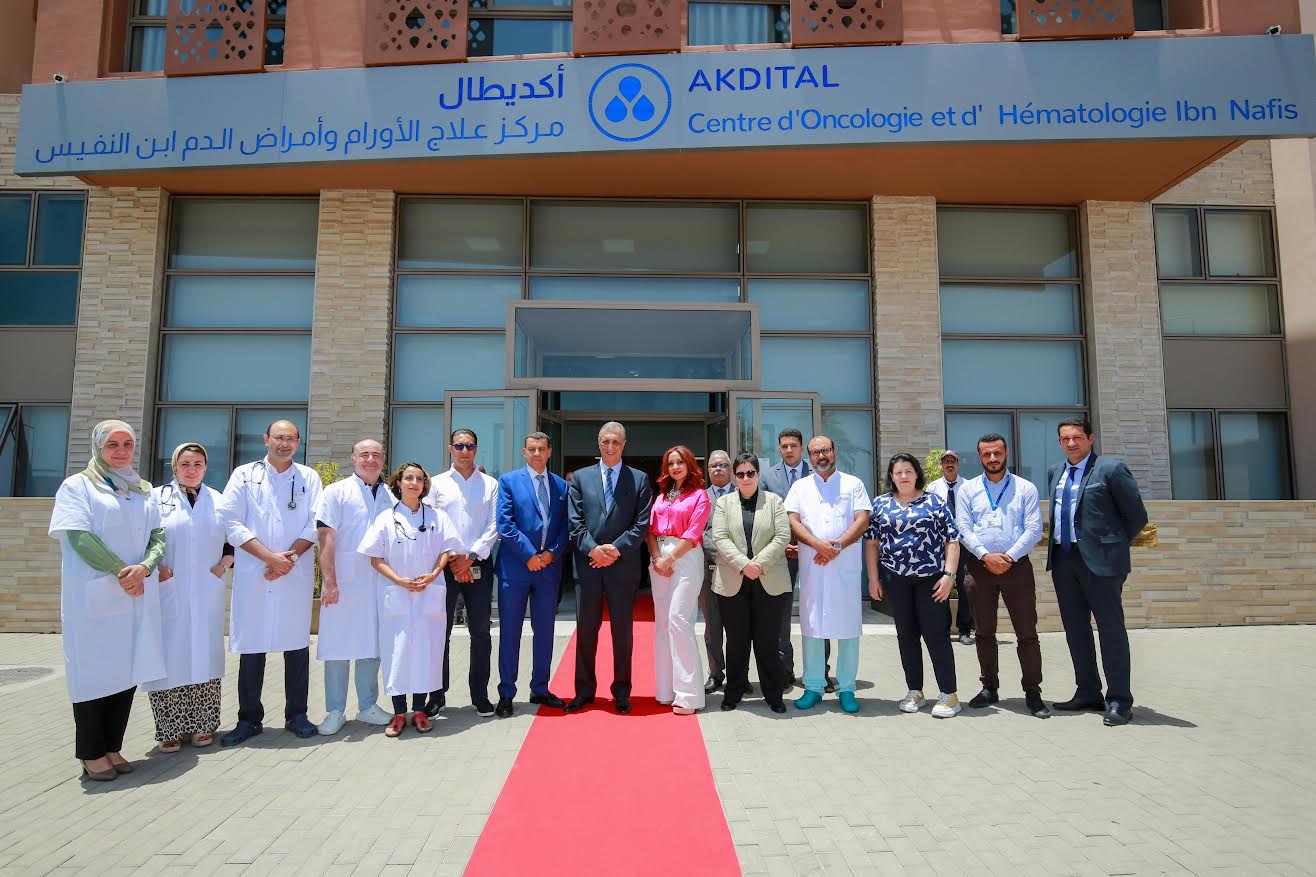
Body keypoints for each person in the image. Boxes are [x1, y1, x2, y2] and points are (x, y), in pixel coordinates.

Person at [48, 420, 167, 781]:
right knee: (92, 671)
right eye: (112, 444)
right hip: (97, 593)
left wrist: (145, 567)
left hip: (135, 592)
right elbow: (79, 537)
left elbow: (158, 536)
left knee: (126, 670)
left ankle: (113, 746)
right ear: (98, 448)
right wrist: (122, 572)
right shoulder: (78, 486)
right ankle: (91, 752)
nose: (121, 451)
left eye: (127, 444)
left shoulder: (142, 489)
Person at [218, 419, 322, 746]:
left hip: (293, 572)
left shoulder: (308, 477)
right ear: (266, 439)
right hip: (255, 572)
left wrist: (287, 560)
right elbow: (230, 521)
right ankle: (249, 719)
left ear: (298, 442)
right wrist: (269, 558)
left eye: (290, 438)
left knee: (296, 645)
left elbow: (315, 522)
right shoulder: (244, 475)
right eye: (279, 437)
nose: (284, 444)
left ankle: (297, 715)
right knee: (252, 646)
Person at [1046, 416, 1148, 727]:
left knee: (1111, 630)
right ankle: (1088, 691)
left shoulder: (1111, 470)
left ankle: (1119, 700)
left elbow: (1136, 517)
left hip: (1101, 563)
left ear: (1091, 439)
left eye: (1077, 437)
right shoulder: (1055, 472)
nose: (1071, 443)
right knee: (1075, 629)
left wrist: (1110, 545)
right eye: (1065, 438)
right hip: (1064, 560)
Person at [358, 463, 462, 737]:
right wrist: (398, 580)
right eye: (408, 478)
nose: (414, 483)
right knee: (398, 653)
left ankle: (419, 711)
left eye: (419, 479)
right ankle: (398, 713)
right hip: (397, 594)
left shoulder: (437, 516)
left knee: (426, 651)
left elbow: (446, 549)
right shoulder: (385, 518)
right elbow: (374, 557)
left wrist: (434, 574)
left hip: (429, 591)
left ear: (425, 485)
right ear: (398, 483)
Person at [143, 442, 233, 752]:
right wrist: (157, 569)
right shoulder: (156, 498)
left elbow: (233, 539)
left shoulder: (219, 500)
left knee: (205, 654)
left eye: (197, 464)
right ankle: (169, 728)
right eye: (185, 464)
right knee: (169, 655)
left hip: (207, 588)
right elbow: (142, 538)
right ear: (174, 467)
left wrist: (223, 565)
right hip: (169, 588)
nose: (191, 470)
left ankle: (203, 725)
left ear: (205, 467)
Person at [953, 434, 1049, 719]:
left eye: (997, 453)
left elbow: (1034, 528)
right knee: (984, 632)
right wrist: (986, 555)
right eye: (986, 454)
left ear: (1006, 453)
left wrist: (1009, 556)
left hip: (1016, 567)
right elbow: (963, 527)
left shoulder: (1025, 488)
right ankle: (989, 688)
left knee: (1026, 633)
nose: (992, 458)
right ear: (980, 457)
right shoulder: (968, 490)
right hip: (979, 567)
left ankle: (1033, 691)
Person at [566, 421, 654, 715]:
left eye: (616, 441)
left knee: (622, 632)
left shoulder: (639, 479)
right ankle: (584, 691)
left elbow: (641, 524)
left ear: (624, 444)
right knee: (586, 630)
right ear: (598, 443)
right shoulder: (581, 477)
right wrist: (594, 549)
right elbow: (574, 522)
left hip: (623, 568)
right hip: (588, 565)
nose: (610, 446)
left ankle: (622, 691)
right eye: (606, 441)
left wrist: (614, 550)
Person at [865, 453, 962, 718]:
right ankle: (915, 691)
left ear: (917, 473)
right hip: (896, 579)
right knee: (906, 636)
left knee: (936, 635)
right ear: (891, 476)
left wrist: (949, 576)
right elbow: (872, 544)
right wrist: (873, 579)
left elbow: (952, 540)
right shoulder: (880, 504)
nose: (903, 476)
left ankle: (949, 694)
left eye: (908, 471)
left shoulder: (934, 502)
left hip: (931, 580)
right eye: (898, 472)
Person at [312, 439, 396, 734]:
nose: (371, 459)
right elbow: (325, 537)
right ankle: (335, 710)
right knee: (337, 646)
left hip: (379, 582)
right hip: (344, 582)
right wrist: (329, 581)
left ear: (383, 459)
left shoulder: (390, 495)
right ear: (353, 459)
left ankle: (367, 706)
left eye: (376, 454)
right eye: (364, 454)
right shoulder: (336, 492)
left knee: (372, 645)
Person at [784, 435, 871, 713]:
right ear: (809, 457)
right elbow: (792, 520)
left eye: (825, 450)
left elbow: (862, 519)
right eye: (815, 452)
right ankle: (813, 686)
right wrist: (817, 545)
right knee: (812, 627)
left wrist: (837, 546)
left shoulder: (853, 484)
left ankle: (847, 687)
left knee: (848, 629)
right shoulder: (800, 487)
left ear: (834, 452)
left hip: (844, 567)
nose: (821, 456)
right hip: (813, 566)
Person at [494, 431, 569, 717]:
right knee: (510, 632)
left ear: (549, 452)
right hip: (516, 568)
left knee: (545, 631)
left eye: (541, 449)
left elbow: (565, 526)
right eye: (532, 449)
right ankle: (506, 693)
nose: (537, 453)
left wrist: (551, 553)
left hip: (548, 570)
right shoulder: (509, 481)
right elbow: (505, 524)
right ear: (524, 452)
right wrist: (529, 555)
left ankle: (540, 688)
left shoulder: (561, 486)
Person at [426, 428, 499, 719]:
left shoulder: (490, 484)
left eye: (469, 446)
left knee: (480, 633)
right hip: (444, 566)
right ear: (450, 449)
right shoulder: (436, 484)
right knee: (439, 632)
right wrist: (455, 558)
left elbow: (494, 525)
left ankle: (480, 696)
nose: (464, 451)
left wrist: (469, 557)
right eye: (459, 446)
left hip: (478, 563)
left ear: (476, 450)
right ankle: (436, 695)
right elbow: (431, 524)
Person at [711, 453, 791, 713]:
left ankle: (774, 696)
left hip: (768, 579)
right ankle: (733, 694)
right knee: (736, 642)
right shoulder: (724, 503)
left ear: (758, 474)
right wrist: (744, 565)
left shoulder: (774, 501)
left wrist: (759, 565)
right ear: (735, 477)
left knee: (768, 642)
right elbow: (720, 537)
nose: (745, 478)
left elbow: (782, 536)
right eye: (741, 474)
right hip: (733, 580)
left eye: (750, 473)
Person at [646, 445, 712, 715]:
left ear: (689, 465)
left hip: (685, 557)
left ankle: (688, 696)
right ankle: (666, 690)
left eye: (680, 462)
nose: (675, 467)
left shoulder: (700, 496)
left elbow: (694, 533)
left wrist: (670, 559)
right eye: (671, 463)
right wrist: (656, 558)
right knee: (662, 624)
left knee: (678, 621)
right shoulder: (661, 496)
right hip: (658, 558)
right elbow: (650, 531)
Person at [761, 428, 822, 691]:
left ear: (801, 448)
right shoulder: (767, 477)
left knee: (817, 609)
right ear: (779, 448)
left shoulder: (817, 473)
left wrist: (809, 544)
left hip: (813, 551)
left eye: (793, 446)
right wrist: (780, 544)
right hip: (781, 554)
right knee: (781, 613)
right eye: (784, 446)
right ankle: (784, 670)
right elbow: (763, 513)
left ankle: (819, 671)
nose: (788, 450)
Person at [926, 450, 974, 645]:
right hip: (940, 544)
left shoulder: (969, 486)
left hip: (964, 543)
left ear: (958, 463)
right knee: (942, 584)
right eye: (946, 461)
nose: (949, 464)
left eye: (952, 461)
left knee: (964, 585)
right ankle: (943, 629)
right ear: (941, 465)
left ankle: (965, 630)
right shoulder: (933, 487)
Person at [700, 450, 734, 693]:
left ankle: (738, 674)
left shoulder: (743, 493)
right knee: (712, 625)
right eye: (714, 465)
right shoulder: (700, 498)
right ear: (708, 470)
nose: (718, 469)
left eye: (723, 465)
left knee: (738, 626)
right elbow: (698, 531)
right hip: (709, 569)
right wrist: (720, 554)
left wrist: (736, 558)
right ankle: (715, 673)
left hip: (738, 570)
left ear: (730, 468)